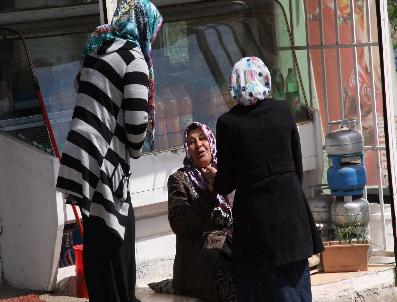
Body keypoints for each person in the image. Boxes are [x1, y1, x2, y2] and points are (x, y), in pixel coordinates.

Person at [56, 1, 162, 301]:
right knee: (117, 237)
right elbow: (137, 123)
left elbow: (83, 90)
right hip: (105, 159)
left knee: (97, 239)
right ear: (143, 25)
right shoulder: (133, 58)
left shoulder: (97, 48)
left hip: (80, 156)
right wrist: (136, 149)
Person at [203, 57, 324, 301]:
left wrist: (214, 180)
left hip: (255, 224)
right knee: (296, 286)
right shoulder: (283, 111)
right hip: (292, 215)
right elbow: (296, 164)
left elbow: (227, 181)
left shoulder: (228, 123)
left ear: (235, 85)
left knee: (260, 289)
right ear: (264, 79)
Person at [150, 122, 236, 302]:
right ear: (187, 149)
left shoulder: (227, 174)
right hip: (198, 260)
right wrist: (210, 191)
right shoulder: (179, 180)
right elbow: (180, 223)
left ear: (211, 142)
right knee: (231, 281)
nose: (198, 145)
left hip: (230, 250)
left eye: (202, 138)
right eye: (191, 141)